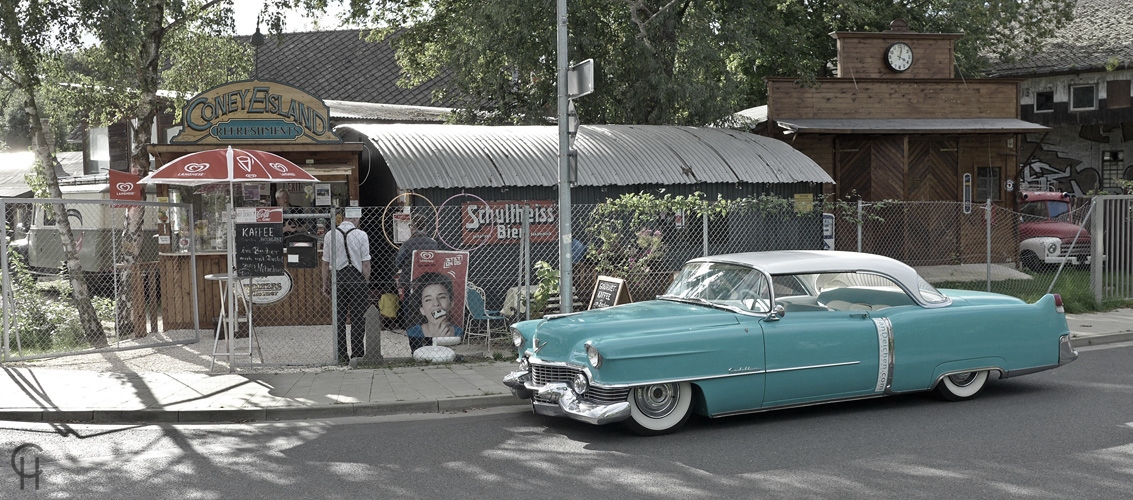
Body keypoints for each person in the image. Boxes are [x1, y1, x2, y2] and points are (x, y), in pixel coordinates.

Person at [321, 209, 372, 366]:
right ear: (356, 219)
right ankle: (357, 354)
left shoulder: (330, 234)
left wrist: (325, 283)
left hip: (338, 277)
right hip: (356, 277)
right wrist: (365, 281)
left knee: (339, 318)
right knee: (358, 318)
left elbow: (325, 262)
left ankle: (341, 355)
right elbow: (365, 263)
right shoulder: (361, 235)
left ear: (343, 218)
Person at [405, 272, 464, 352]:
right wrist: (437, 342)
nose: (436, 303)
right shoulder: (411, 334)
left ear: (451, 304)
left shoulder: (460, 333)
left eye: (442, 297)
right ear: (422, 310)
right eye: (428, 299)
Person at [394, 213, 439, 291]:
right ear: (425, 227)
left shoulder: (406, 244)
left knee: (409, 302)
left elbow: (398, 263)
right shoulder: (433, 243)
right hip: (429, 282)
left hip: (410, 282)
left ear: (412, 227)